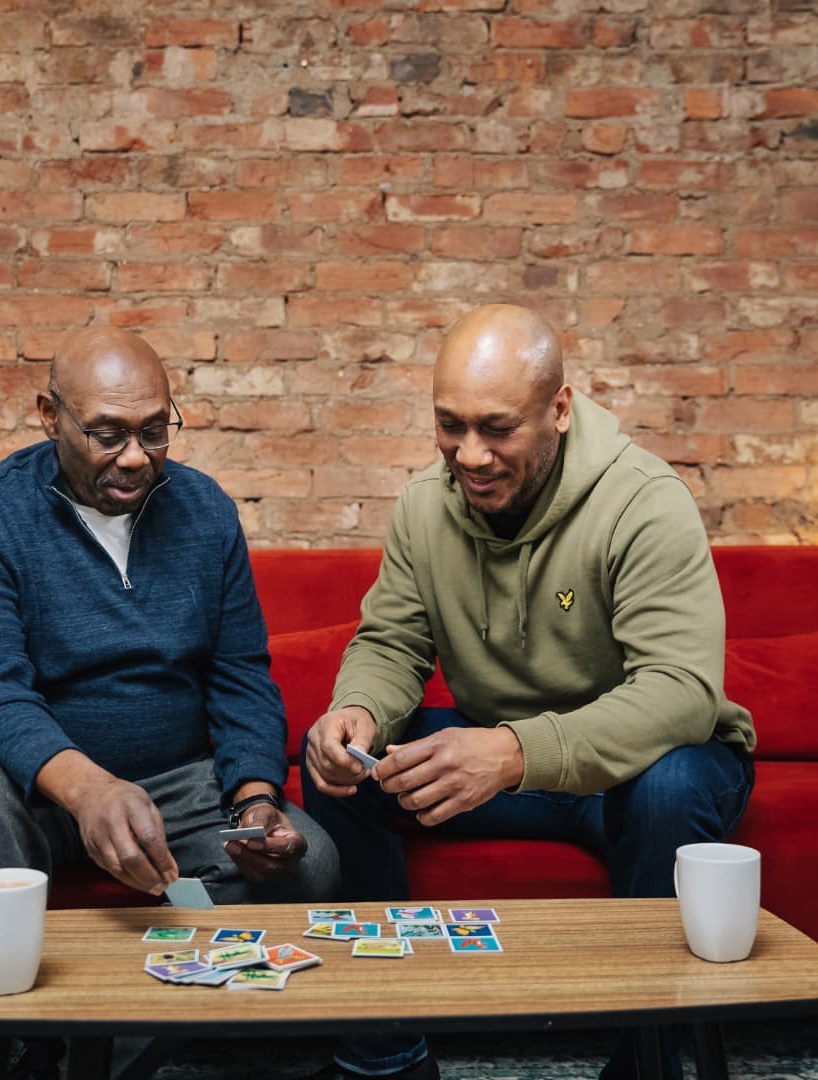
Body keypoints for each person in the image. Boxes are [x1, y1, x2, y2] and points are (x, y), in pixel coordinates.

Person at [302, 304, 755, 1080]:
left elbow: (681, 692)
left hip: (638, 766)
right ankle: (384, 1054)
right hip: (501, 754)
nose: (469, 454)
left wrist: (514, 753)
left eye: (497, 428)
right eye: (450, 425)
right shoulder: (423, 506)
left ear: (560, 408)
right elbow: (392, 643)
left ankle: (650, 1060)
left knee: (673, 784)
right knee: (339, 773)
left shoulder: (644, 500)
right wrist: (361, 712)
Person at [0, 326, 340, 1080]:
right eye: (108, 435)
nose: (137, 457)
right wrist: (88, 789)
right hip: (22, 784)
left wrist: (254, 798)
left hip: (173, 781)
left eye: (155, 431)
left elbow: (240, 671)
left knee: (311, 863)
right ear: (51, 416)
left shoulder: (204, 511)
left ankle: (96, 1055)